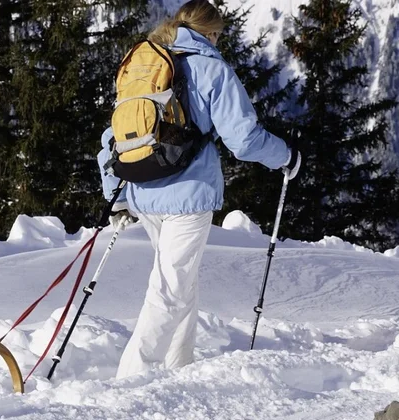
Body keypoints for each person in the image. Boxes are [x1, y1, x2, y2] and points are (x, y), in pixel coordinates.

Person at [97, 0, 301, 380]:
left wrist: (118, 196)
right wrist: (287, 157)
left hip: (144, 190)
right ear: (212, 33)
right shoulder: (211, 68)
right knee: (169, 289)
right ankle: (131, 378)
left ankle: (179, 367)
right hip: (188, 196)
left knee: (180, 281)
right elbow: (244, 140)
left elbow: (115, 134)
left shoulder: (147, 63)